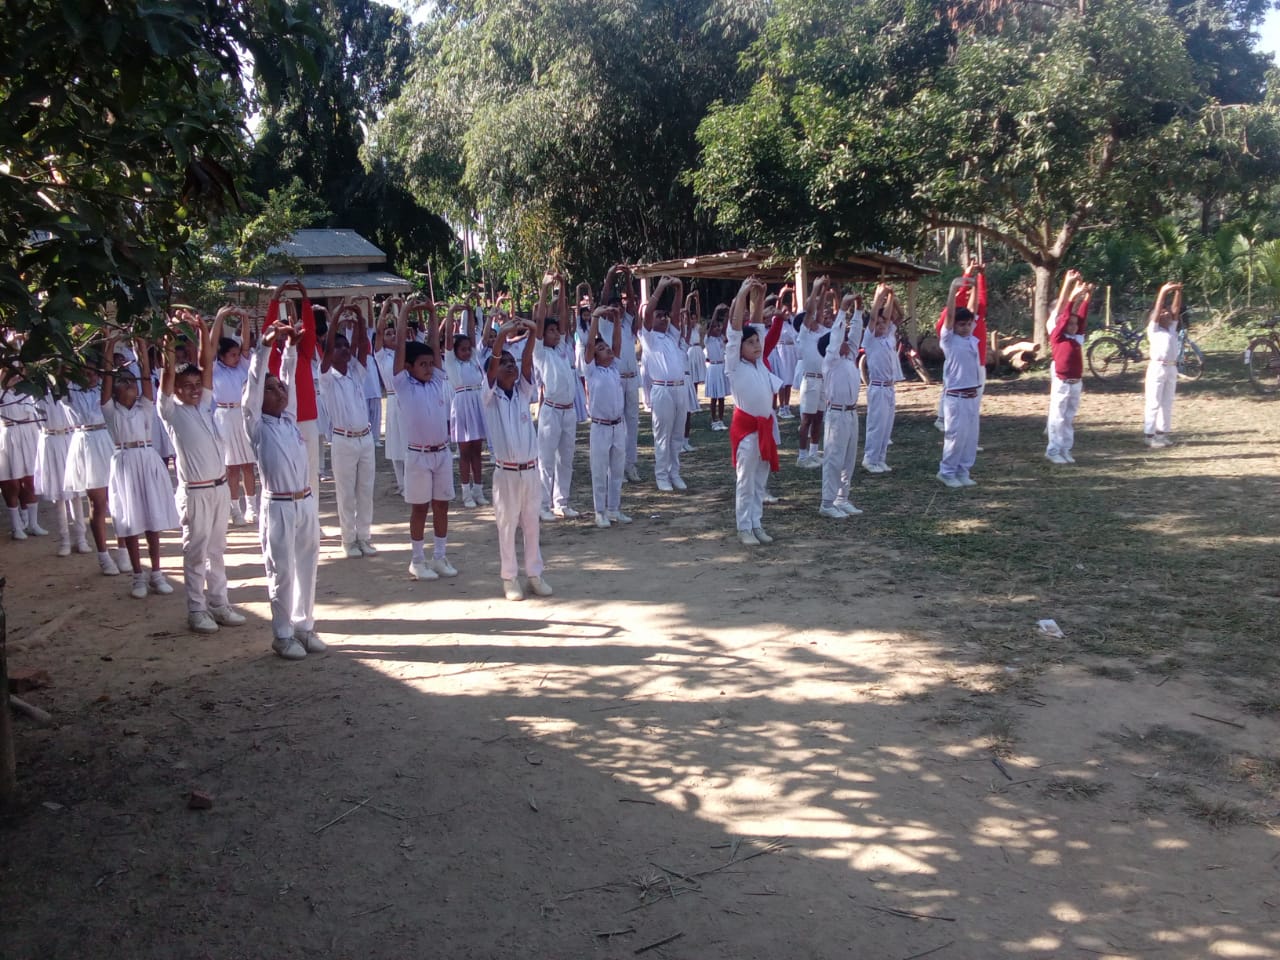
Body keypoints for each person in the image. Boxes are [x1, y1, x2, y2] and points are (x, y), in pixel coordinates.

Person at [159, 307, 247, 634]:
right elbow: (167, 372)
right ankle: (196, 609)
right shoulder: (171, 411)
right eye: (188, 385)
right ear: (177, 389)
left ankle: (219, 604)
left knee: (217, 551)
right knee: (196, 552)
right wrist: (171, 333)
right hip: (195, 492)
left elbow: (207, 363)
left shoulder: (206, 404)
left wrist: (204, 327)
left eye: (198, 384)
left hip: (219, 488)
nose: (195, 389)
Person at [244, 321, 324, 661]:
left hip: (304, 501)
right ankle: (283, 634)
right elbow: (253, 384)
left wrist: (290, 347)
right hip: (277, 505)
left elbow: (288, 374)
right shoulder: (256, 425)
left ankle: (304, 626)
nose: (280, 392)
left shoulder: (289, 420)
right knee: (281, 570)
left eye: (280, 387)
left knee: (307, 565)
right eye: (271, 389)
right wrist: (264, 348)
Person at [100, 336, 180, 599]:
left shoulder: (145, 407)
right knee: (131, 520)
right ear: (114, 390)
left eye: (131, 382)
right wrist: (110, 347)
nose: (129, 385)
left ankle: (157, 573)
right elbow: (106, 378)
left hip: (147, 459)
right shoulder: (110, 411)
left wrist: (143, 349)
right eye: (122, 382)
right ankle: (138, 576)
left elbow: (146, 377)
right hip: (124, 462)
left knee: (152, 520)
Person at [482, 318, 552, 601]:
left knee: (531, 524)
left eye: (512, 362)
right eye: (504, 363)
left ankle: (534, 574)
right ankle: (509, 578)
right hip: (506, 472)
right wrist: (502, 335)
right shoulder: (489, 397)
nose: (510, 366)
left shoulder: (523, 392)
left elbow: (527, 361)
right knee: (507, 524)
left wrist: (532, 331)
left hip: (531, 470)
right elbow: (494, 362)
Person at [393, 299, 458, 582]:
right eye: (422, 365)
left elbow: (434, 344)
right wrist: (405, 313)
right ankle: (417, 560)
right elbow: (399, 350)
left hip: (441, 453)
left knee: (442, 504)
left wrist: (432, 314)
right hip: (418, 456)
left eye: (430, 364)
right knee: (420, 507)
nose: (429, 368)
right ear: (408, 367)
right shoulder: (403, 385)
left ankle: (440, 557)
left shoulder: (436, 381)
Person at [726, 277, 782, 546]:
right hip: (747, 431)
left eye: (758, 342)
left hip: (765, 427)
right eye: (750, 343)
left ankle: (756, 522)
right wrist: (742, 294)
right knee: (746, 480)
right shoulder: (734, 365)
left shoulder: (759, 363)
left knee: (760, 480)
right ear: (739, 348)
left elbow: (757, 324)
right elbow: (736, 329)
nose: (757, 345)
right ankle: (744, 526)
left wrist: (759, 298)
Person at [320, 301, 377, 558]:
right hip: (343, 440)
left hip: (365, 438)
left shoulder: (356, 372)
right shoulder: (327, 378)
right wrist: (334, 319)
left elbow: (363, 346)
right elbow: (327, 350)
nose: (344, 349)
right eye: (338, 346)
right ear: (329, 351)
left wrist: (360, 320)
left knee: (365, 490)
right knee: (346, 494)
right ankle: (348, 540)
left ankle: (364, 537)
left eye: (346, 346)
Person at [62, 354, 120, 574]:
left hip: (107, 440)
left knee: (118, 499)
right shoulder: (70, 392)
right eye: (85, 373)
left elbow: (109, 375)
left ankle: (123, 550)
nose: (91, 377)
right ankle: (103, 556)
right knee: (97, 502)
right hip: (85, 443)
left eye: (94, 372)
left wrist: (108, 346)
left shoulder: (105, 391)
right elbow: (62, 374)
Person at [532, 273, 580, 521]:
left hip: (568, 410)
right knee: (546, 460)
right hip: (550, 410)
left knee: (566, 459)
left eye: (556, 331)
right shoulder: (539, 352)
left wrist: (562, 285)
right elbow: (540, 319)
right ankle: (542, 505)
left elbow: (562, 317)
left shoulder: (561, 348)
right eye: (550, 331)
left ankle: (561, 502)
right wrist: (544, 289)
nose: (556, 333)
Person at [639, 276, 689, 492]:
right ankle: (661, 475)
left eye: (664, 316)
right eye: (659, 316)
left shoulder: (671, 336)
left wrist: (679, 289)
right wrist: (659, 288)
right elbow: (648, 313)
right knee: (662, 435)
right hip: (662, 389)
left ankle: (674, 473)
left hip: (680, 388)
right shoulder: (648, 337)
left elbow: (676, 314)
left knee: (677, 435)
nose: (664, 319)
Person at [583, 305, 630, 528]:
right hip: (600, 427)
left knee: (617, 469)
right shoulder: (591, 371)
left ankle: (614, 508)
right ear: (594, 355)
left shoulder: (613, 368)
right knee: (600, 470)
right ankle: (599, 511)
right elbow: (589, 345)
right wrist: (595, 317)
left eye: (607, 347)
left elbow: (618, 344)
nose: (608, 350)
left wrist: (618, 319)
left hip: (617, 425)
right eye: (601, 349)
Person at [819, 292, 864, 519]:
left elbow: (854, 334)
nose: (846, 342)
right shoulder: (831, 362)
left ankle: (842, 498)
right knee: (834, 459)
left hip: (851, 413)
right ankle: (827, 503)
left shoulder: (849, 357)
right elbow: (836, 337)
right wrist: (842, 311)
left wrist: (858, 310)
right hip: (836, 415)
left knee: (848, 459)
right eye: (841, 341)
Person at [937, 275, 981, 488]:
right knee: (955, 436)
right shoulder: (949, 339)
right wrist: (954, 289)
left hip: (972, 394)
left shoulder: (970, 338)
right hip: (956, 396)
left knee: (970, 438)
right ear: (954, 325)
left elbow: (973, 309)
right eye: (961, 324)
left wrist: (976, 287)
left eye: (968, 324)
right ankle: (946, 472)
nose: (965, 327)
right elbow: (950, 315)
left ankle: (963, 471)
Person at [599, 265, 642, 482]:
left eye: (620, 306)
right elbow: (604, 298)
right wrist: (610, 275)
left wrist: (627, 277)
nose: (618, 309)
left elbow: (632, 303)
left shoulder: (627, 323)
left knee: (632, 424)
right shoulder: (605, 324)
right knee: (615, 424)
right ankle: (613, 468)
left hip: (632, 378)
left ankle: (630, 465)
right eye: (613, 306)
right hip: (614, 379)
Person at [444, 301, 489, 508]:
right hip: (462, 405)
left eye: (468, 349)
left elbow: (472, 334)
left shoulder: (474, 360)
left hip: (477, 403)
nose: (467, 352)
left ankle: (478, 490)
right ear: (454, 351)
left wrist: (470, 312)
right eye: (462, 350)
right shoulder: (451, 362)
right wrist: (451, 313)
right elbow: (447, 340)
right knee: (464, 452)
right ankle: (466, 493)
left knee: (477, 451)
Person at [36, 381, 87, 555]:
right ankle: (64, 540)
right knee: (58, 495)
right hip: (49, 441)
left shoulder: (70, 388)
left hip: (69, 438)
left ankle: (81, 538)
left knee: (76, 493)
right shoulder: (38, 391)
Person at [212, 330, 258, 526]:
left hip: (242, 414)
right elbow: (210, 345)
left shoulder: (243, 367)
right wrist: (219, 319)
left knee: (248, 464)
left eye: (238, 354)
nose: (237, 357)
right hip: (224, 416)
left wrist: (244, 319)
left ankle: (252, 508)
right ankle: (235, 510)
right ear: (221, 356)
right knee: (231, 467)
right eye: (232, 354)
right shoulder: (214, 369)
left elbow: (246, 344)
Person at [1046, 271, 1091, 464]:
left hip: (1075, 382)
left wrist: (1087, 298)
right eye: (1069, 323)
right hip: (1062, 381)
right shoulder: (1057, 336)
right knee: (1057, 416)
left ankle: (1065, 448)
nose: (1073, 326)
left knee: (1069, 417)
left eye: (1075, 324)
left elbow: (1081, 319)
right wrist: (1072, 297)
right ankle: (1053, 450)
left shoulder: (1077, 338)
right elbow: (1065, 317)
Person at [860, 284, 899, 474]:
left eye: (884, 323)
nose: (882, 325)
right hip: (877, 387)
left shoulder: (888, 337)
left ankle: (880, 458)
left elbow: (888, 316)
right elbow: (874, 317)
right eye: (878, 323)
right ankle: (870, 458)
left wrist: (890, 295)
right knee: (876, 425)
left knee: (886, 426)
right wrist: (879, 296)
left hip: (889, 387)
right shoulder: (870, 340)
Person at [1, 366, 42, 540]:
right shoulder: (2, 394)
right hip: (8, 436)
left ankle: (33, 523)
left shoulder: (27, 392)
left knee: (30, 480)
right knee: (11, 484)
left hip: (28, 435)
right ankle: (16, 526)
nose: (16, 378)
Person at [794, 275, 829, 468]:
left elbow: (819, 310)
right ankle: (802, 456)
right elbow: (810, 312)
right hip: (810, 381)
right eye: (812, 318)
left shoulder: (821, 331)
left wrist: (824, 290)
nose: (817, 318)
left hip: (822, 380)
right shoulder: (804, 334)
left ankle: (814, 453)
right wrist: (815, 288)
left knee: (818, 418)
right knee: (806, 419)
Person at [372, 301, 406, 493]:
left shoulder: (403, 352)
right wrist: (385, 308)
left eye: (394, 333)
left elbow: (402, 330)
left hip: (407, 398)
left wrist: (402, 310)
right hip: (393, 400)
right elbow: (378, 331)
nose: (392, 336)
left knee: (409, 439)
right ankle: (401, 483)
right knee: (395, 442)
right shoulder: (381, 356)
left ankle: (411, 480)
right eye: (388, 334)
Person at [1144, 281, 1183, 448]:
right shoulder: (1154, 330)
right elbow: (1158, 308)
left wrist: (1178, 292)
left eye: (1167, 312)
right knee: (1154, 402)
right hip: (1157, 367)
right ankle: (1149, 435)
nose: (1167, 314)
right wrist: (1163, 292)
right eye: (1163, 313)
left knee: (1167, 402)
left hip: (1171, 367)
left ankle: (1162, 434)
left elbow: (1176, 310)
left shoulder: (1171, 329)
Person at [704, 306, 729, 430]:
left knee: (721, 396)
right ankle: (714, 420)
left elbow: (725, 326)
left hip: (721, 367)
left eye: (718, 326)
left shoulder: (721, 338)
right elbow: (711, 326)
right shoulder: (708, 339)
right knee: (714, 397)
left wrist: (728, 313)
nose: (718, 328)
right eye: (715, 327)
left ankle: (721, 420)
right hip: (713, 368)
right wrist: (716, 311)